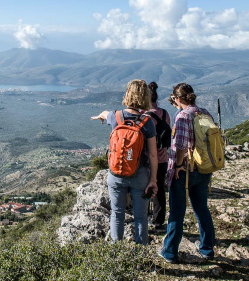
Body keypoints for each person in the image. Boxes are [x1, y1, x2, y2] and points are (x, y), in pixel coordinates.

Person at [91, 79, 158, 245]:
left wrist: (100, 116)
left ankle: (116, 255)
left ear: (127, 95)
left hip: (116, 174)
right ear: (146, 97)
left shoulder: (116, 116)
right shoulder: (147, 122)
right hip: (139, 174)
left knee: (117, 213)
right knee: (141, 217)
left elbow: (105, 113)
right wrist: (153, 180)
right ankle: (140, 256)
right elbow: (153, 155)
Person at [159, 83, 216, 263]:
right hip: (203, 168)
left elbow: (182, 147)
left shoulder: (183, 116)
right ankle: (207, 249)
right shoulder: (204, 113)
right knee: (202, 209)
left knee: (177, 211)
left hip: (184, 171)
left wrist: (176, 167)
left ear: (178, 99)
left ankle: (169, 252)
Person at [146, 82, 171, 230]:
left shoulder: (143, 115)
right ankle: (158, 220)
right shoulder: (165, 114)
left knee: (144, 187)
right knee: (159, 188)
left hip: (147, 158)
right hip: (162, 158)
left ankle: (144, 216)